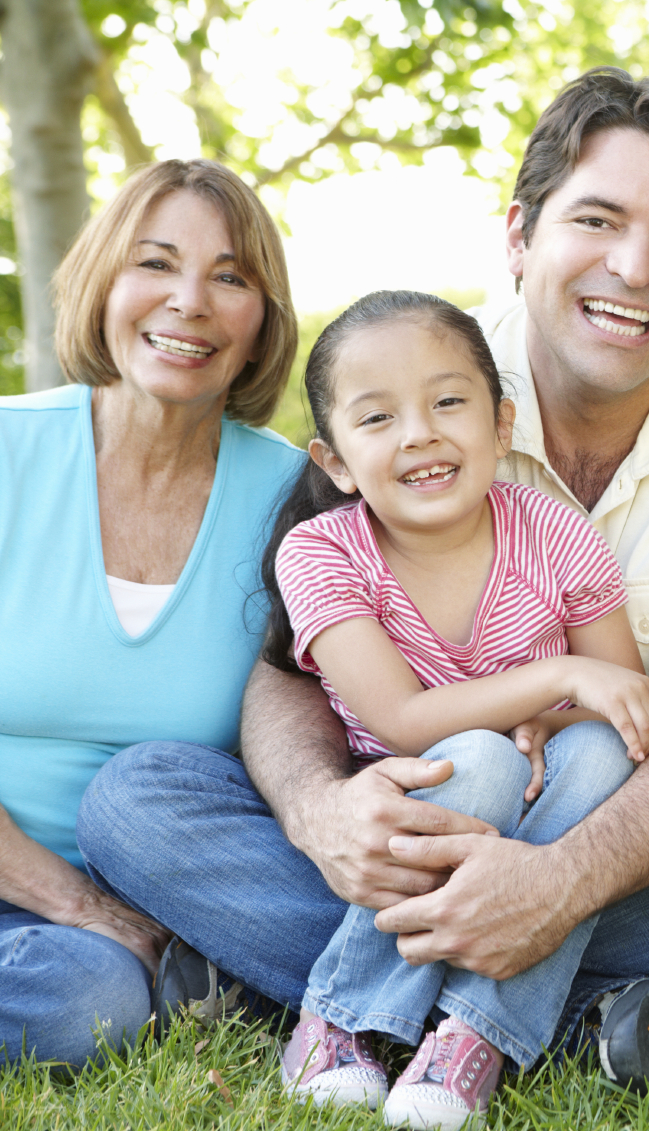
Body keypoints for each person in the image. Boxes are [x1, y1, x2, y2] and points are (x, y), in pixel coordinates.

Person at [78, 67, 649, 1096]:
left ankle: (330, 994)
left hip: (600, 827)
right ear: (520, 233)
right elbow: (287, 667)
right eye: (599, 218)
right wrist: (320, 815)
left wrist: (558, 882)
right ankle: (567, 1019)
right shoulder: (407, 372)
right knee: (137, 798)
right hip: (401, 807)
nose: (633, 266)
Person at [261, 290, 649, 1127]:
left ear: (501, 422)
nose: (420, 432)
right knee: (474, 756)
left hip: (546, 815)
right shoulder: (321, 551)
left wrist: (558, 716)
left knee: (601, 754)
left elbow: (624, 707)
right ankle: (343, 1015)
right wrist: (558, 678)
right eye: (377, 419)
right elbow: (408, 722)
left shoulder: (554, 534)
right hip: (410, 808)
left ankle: (471, 1030)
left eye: (449, 401)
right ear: (334, 461)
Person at [0, 158, 300, 1067]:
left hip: (172, 889)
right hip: (46, 892)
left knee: (92, 999)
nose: (190, 301)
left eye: (231, 277)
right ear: (103, 286)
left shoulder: (295, 493)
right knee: (90, 996)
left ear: (261, 324)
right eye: (155, 263)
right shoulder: (8, 450)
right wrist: (77, 902)